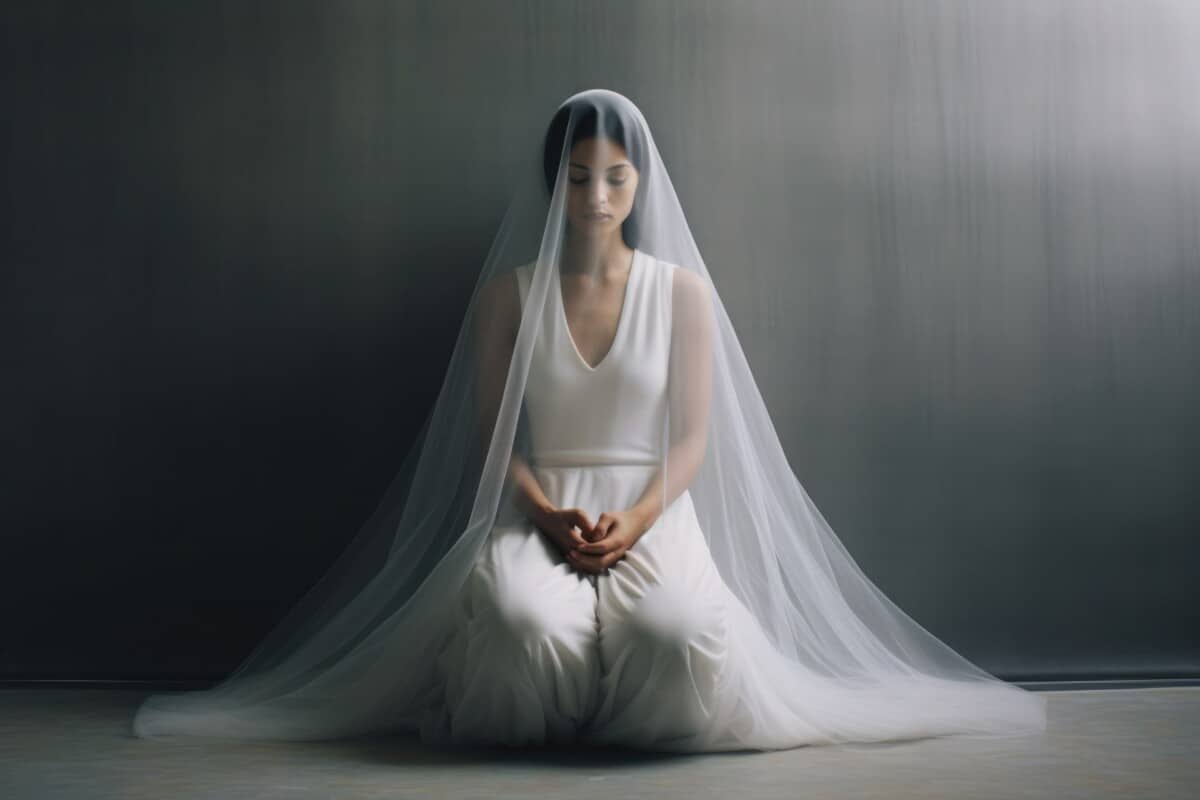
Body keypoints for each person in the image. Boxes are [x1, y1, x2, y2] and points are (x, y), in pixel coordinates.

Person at [132, 89, 1047, 752]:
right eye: (578, 179)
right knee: (519, 626)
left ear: (640, 181)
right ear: (555, 185)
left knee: (677, 631)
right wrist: (541, 512)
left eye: (615, 177)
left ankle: (631, 708)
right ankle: (559, 700)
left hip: (649, 504)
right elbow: (497, 439)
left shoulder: (683, 295)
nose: (599, 198)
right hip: (538, 500)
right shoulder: (506, 299)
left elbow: (692, 436)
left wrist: (642, 517)